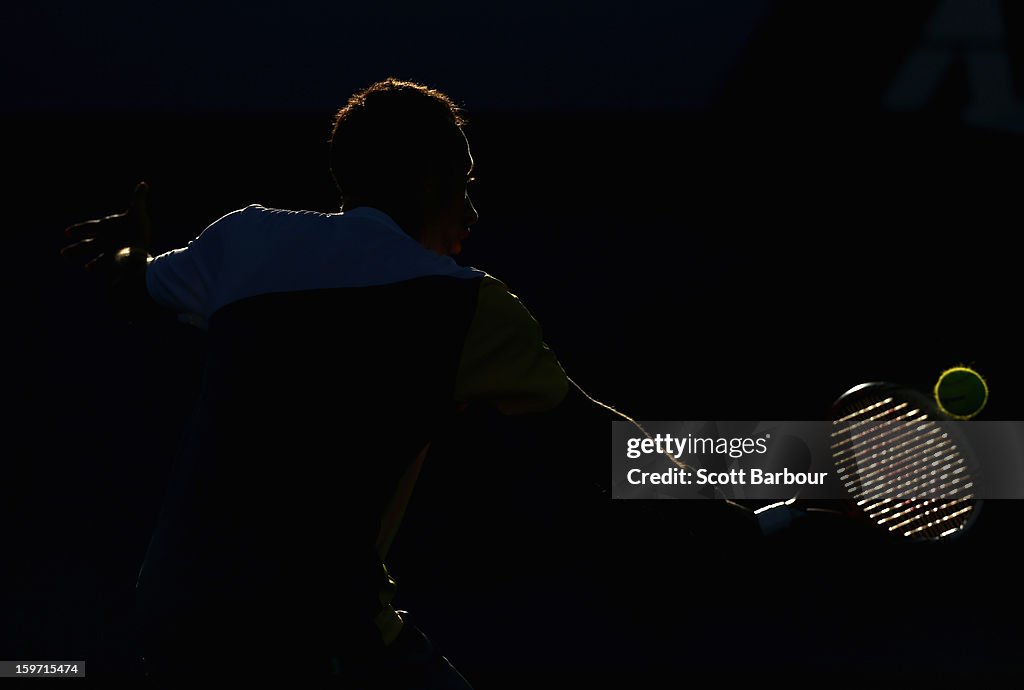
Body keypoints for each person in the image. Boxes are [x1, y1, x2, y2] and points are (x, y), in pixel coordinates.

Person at [62, 78, 684, 684]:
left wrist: (129, 248)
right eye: (464, 185)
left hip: (173, 619)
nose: (473, 211)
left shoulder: (246, 240)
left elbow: (129, 286)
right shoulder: (468, 306)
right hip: (317, 631)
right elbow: (602, 441)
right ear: (426, 181)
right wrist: (755, 494)